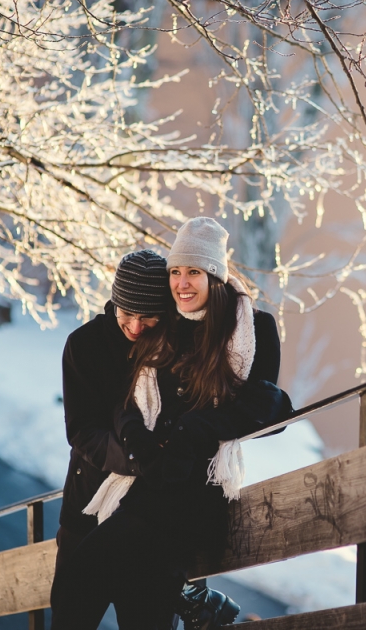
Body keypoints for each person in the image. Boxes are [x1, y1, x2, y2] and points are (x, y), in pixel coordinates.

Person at [51, 218, 292, 630]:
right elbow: (127, 403)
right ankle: (193, 598)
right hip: (136, 488)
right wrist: (135, 443)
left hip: (185, 495)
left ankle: (191, 596)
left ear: (214, 275)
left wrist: (195, 428)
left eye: (194, 271)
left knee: (126, 601)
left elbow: (272, 408)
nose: (182, 282)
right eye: (176, 272)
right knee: (82, 591)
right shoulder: (169, 327)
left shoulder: (252, 329)